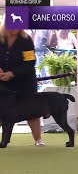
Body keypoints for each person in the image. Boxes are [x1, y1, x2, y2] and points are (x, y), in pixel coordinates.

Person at [0, 15, 45, 147]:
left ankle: (38, 139)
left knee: (31, 110)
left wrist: (12, 73)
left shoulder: (26, 40)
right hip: (3, 82)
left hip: (24, 81)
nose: (15, 28)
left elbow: (30, 62)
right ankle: (4, 140)